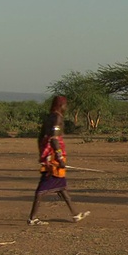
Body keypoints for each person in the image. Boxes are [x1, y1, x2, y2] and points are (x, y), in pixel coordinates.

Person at [27, 96, 90, 226]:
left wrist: (43, 154)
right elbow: (54, 139)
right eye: (65, 105)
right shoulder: (57, 118)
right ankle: (32, 218)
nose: (66, 107)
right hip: (54, 156)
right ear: (61, 105)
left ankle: (75, 214)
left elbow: (40, 138)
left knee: (61, 187)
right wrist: (59, 157)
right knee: (42, 189)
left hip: (49, 154)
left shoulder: (49, 117)